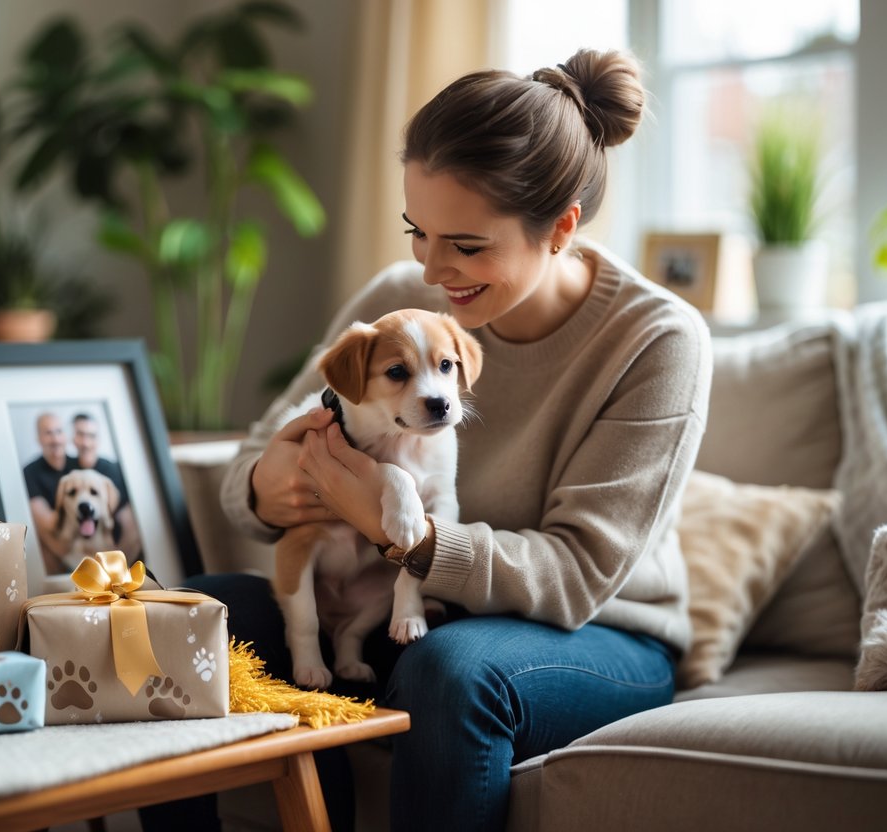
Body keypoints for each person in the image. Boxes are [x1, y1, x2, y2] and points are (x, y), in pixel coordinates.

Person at [167, 49, 712, 832]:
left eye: (465, 244)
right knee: (185, 618)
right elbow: (251, 462)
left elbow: (576, 576)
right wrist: (271, 484)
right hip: (390, 603)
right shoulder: (397, 303)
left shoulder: (656, 339)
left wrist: (398, 534)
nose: (429, 267)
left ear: (560, 228)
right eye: (416, 232)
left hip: (600, 635)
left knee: (449, 671)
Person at [70, 412, 143, 561]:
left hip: (113, 548)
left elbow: (129, 524)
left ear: (99, 439)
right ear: (73, 438)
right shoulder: (67, 472)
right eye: (80, 435)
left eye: (91, 436)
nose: (86, 442)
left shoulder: (114, 471)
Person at [21, 411, 76, 573]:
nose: (55, 439)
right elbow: (47, 523)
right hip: (54, 539)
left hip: (84, 534)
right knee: (39, 539)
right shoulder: (30, 472)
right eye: (48, 433)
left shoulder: (79, 464)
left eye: (59, 431)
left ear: (66, 436)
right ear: (38, 439)